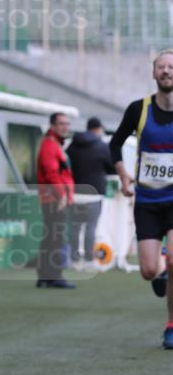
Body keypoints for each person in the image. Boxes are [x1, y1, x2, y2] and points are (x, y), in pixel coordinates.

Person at [109, 49, 173, 350]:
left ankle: (171, 325)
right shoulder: (138, 109)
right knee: (149, 270)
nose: (166, 71)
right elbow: (115, 144)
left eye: (171, 66)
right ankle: (161, 272)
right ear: (153, 73)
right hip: (147, 201)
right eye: (161, 67)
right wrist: (123, 174)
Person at [66, 116, 115, 270]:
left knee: (75, 228)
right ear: (99, 129)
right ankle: (88, 260)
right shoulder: (102, 146)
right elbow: (112, 168)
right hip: (94, 194)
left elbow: (65, 166)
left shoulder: (71, 146)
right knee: (90, 227)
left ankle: (74, 260)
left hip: (74, 193)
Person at [35, 112, 75, 288]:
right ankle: (54, 277)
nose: (65, 127)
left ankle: (45, 277)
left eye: (67, 124)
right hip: (54, 199)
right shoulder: (50, 145)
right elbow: (51, 173)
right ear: (52, 126)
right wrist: (62, 195)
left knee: (51, 237)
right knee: (56, 239)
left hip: (53, 198)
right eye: (61, 124)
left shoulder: (53, 144)